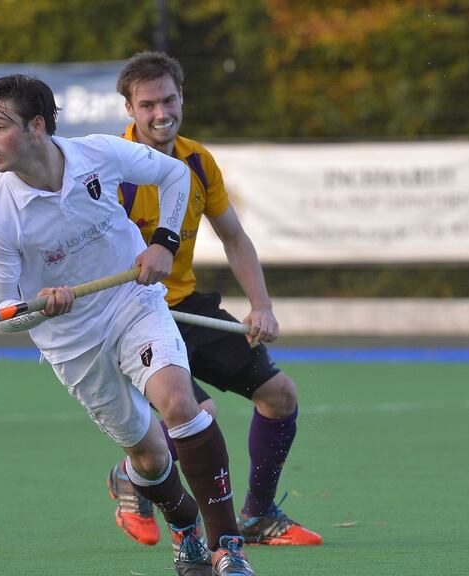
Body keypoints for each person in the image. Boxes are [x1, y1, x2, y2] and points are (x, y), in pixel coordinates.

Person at [0, 74, 255, 576]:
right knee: (148, 458)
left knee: (179, 403)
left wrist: (164, 243)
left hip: (132, 301)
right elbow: (4, 317)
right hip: (72, 343)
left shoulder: (97, 153)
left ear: (37, 125)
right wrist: (37, 306)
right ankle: (185, 526)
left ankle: (228, 547)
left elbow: (174, 176)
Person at [104, 51, 322, 548]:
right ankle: (134, 476)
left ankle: (259, 515)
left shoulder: (198, 160)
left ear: (182, 97)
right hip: (133, 314)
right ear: (129, 110)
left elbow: (235, 239)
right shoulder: (111, 170)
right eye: (148, 104)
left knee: (279, 395)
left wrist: (260, 306)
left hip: (189, 307)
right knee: (199, 415)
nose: (161, 112)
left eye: (169, 99)